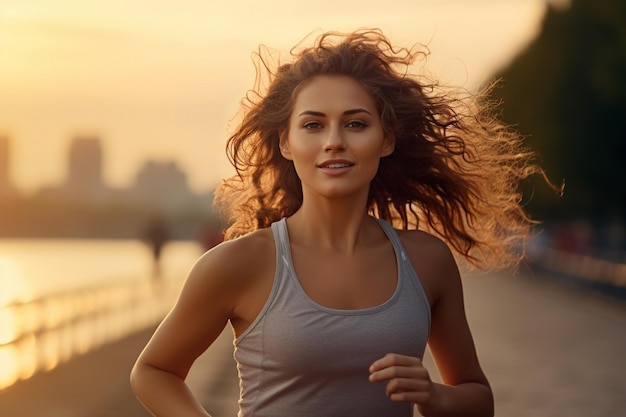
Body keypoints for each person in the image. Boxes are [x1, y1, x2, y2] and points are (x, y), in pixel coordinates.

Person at [131, 29, 549, 417]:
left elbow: (478, 397)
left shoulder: (426, 261)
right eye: (313, 125)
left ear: (385, 139)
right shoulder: (239, 263)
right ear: (286, 142)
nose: (334, 140)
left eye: (355, 124)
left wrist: (435, 395)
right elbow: (153, 371)